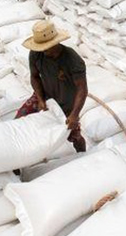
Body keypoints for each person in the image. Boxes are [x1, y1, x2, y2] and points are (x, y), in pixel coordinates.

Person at [18, 20, 88, 152]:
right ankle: (17, 158)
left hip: (67, 102)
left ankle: (83, 155)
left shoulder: (72, 59)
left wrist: (74, 114)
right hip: (45, 95)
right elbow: (34, 76)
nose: (43, 51)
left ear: (55, 43)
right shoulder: (36, 54)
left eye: (46, 48)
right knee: (20, 118)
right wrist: (40, 99)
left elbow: (82, 89)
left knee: (74, 135)